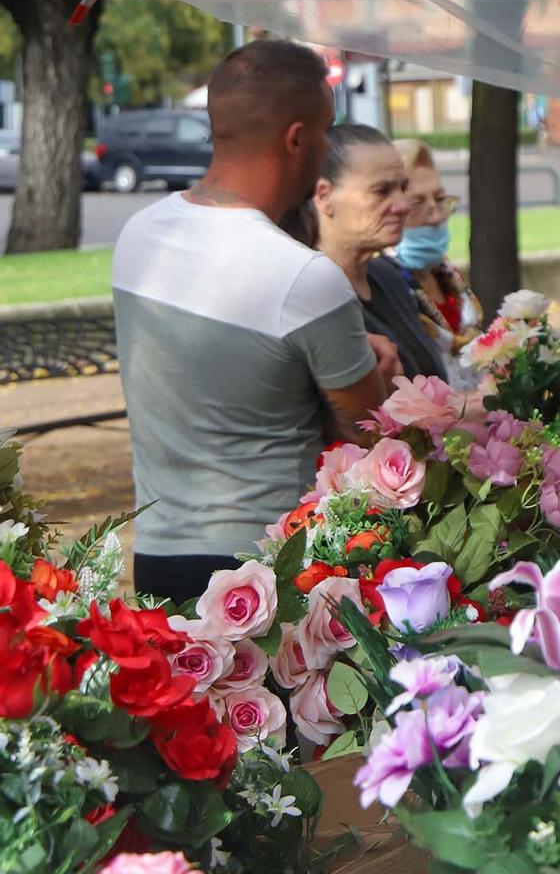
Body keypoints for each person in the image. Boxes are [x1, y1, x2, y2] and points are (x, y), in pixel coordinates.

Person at [111, 39, 398, 604]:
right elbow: (368, 430)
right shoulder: (304, 278)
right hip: (268, 568)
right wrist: (375, 368)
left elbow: (215, 364)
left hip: (158, 558)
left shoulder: (138, 237)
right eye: (326, 131)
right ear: (298, 139)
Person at [301, 125, 447, 382]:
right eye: (382, 191)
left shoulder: (388, 276)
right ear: (324, 196)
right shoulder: (309, 298)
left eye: (402, 188)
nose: (402, 205)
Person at [390, 139, 483, 372]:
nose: (436, 217)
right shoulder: (381, 285)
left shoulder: (447, 273)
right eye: (417, 203)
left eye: (440, 199)